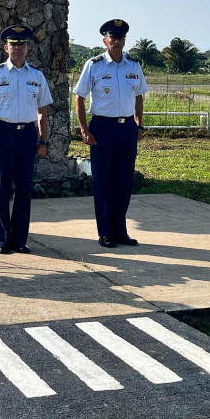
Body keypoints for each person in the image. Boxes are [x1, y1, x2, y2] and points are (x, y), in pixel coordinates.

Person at [0, 24, 52, 254]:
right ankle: (3, 239)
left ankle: (19, 239)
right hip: (4, 134)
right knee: (1, 189)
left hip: (28, 135)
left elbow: (43, 112)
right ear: (5, 47)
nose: (18, 49)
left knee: (24, 188)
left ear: (28, 48)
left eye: (22, 45)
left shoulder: (36, 76)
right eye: (14, 45)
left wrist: (43, 141)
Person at [74, 19, 148, 248]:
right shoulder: (94, 65)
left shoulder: (133, 65)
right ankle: (105, 232)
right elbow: (79, 97)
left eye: (121, 38)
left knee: (124, 181)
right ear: (105, 40)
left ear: (124, 41)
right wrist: (84, 130)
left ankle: (120, 231)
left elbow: (139, 95)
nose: (117, 42)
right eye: (112, 38)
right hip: (102, 128)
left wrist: (139, 124)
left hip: (126, 128)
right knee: (103, 181)